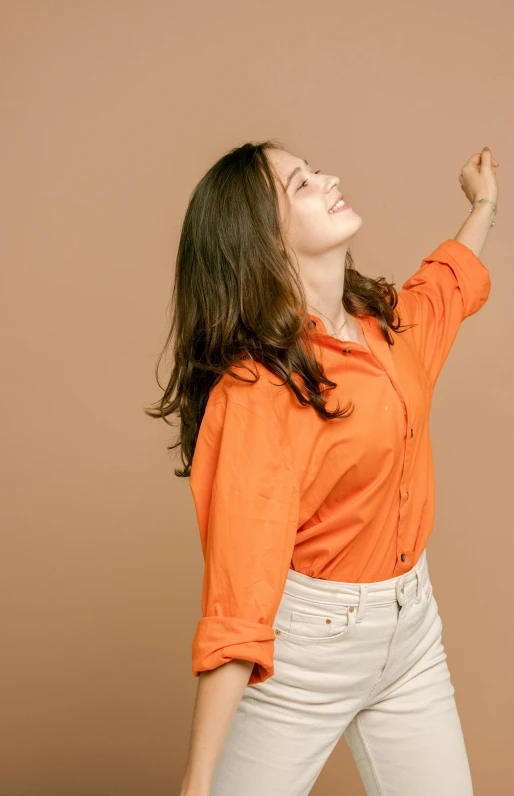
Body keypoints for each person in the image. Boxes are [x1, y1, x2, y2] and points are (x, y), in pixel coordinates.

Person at [146, 140, 499, 795]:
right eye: (303, 185)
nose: (330, 178)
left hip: (413, 634)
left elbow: (444, 292)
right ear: (267, 243)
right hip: (308, 651)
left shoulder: (381, 325)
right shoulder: (257, 392)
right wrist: (197, 781)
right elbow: (238, 602)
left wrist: (482, 204)